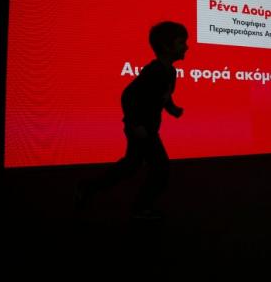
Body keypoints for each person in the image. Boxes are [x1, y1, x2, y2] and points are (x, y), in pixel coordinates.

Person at [75, 21, 188, 219]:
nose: (186, 47)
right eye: (181, 43)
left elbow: (164, 96)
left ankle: (88, 188)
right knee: (160, 168)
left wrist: (172, 109)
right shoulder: (154, 71)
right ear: (166, 47)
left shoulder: (170, 72)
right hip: (142, 130)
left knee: (130, 166)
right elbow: (128, 95)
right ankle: (141, 208)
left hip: (148, 128)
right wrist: (135, 124)